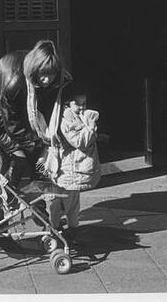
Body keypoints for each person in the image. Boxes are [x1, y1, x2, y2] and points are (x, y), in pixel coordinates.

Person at [0, 39, 69, 248]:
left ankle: (36, 210)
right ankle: (11, 211)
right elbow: (11, 123)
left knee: (37, 161)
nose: (47, 80)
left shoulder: (32, 70)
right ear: (34, 69)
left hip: (7, 117)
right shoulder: (15, 81)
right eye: (43, 74)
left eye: (52, 74)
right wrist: (36, 145)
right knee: (22, 159)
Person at [44, 83, 101, 244]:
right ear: (67, 103)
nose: (82, 107)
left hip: (75, 168)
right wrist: (90, 127)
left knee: (73, 201)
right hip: (69, 168)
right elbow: (79, 141)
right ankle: (56, 229)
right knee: (62, 201)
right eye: (78, 103)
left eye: (84, 103)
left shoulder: (78, 117)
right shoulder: (66, 121)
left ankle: (72, 228)